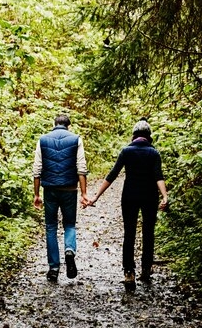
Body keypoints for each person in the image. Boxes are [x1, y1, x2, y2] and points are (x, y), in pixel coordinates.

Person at [85, 119, 168, 292]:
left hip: (129, 196)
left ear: (134, 135)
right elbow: (158, 176)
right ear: (149, 136)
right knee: (148, 232)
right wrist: (164, 196)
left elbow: (112, 175)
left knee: (129, 233)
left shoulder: (126, 151)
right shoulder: (154, 153)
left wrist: (96, 197)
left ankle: (129, 272)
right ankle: (146, 269)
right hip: (149, 196)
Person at [32, 113, 88, 282]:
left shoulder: (43, 140)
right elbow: (81, 167)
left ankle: (54, 268)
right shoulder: (76, 139)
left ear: (54, 123)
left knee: (50, 226)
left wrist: (36, 194)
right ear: (68, 125)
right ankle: (69, 251)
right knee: (69, 224)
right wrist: (84, 193)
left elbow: (37, 169)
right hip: (70, 189)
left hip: (50, 190)